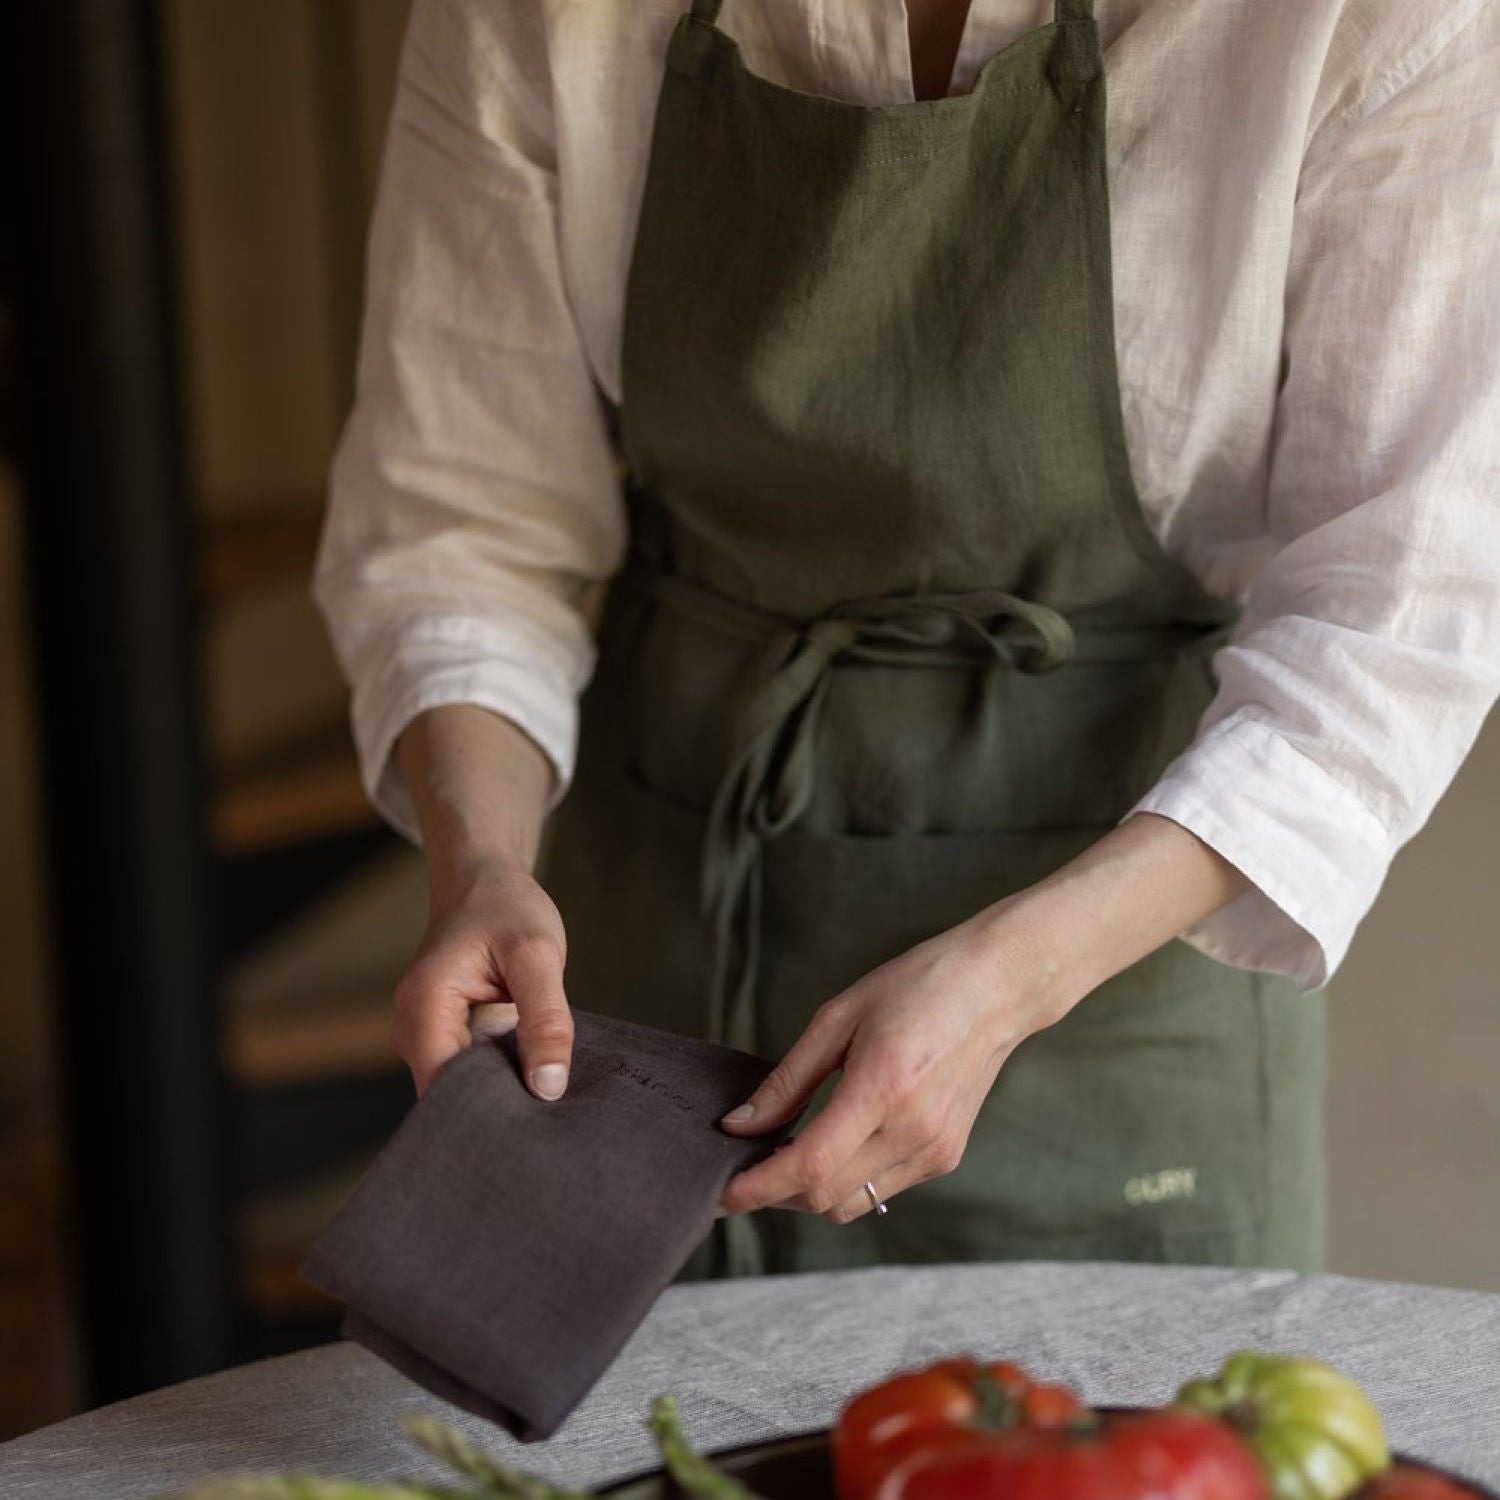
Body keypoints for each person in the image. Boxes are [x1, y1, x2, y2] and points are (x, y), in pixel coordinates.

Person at [312, 0, 1500, 1277]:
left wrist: (1013, 978)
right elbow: (463, 521)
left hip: (1113, 986)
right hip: (649, 954)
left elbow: (1400, 614)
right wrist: (481, 863)